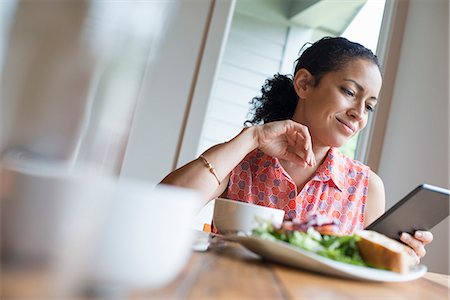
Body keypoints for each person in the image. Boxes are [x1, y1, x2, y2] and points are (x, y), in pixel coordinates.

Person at [161, 36, 432, 264]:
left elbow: (368, 271)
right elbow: (164, 206)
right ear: (304, 84)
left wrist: (400, 255)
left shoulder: (366, 188)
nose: (359, 114)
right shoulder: (241, 159)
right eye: (350, 92)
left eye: (369, 106)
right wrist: (251, 137)